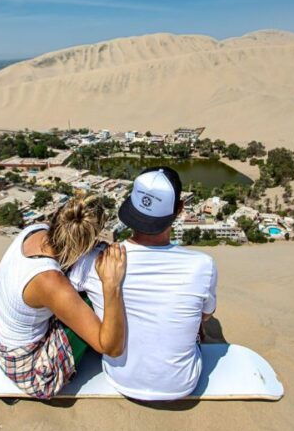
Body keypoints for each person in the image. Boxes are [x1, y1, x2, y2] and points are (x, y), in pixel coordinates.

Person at [69, 167, 218, 401]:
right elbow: (206, 316)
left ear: (131, 205)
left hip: (119, 378)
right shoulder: (202, 266)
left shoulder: (92, 263)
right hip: (182, 384)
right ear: (179, 210)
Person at [0, 194, 127, 399]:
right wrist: (111, 285)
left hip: (2, 338)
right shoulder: (49, 281)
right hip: (30, 368)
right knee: (92, 300)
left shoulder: (34, 231)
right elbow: (111, 347)